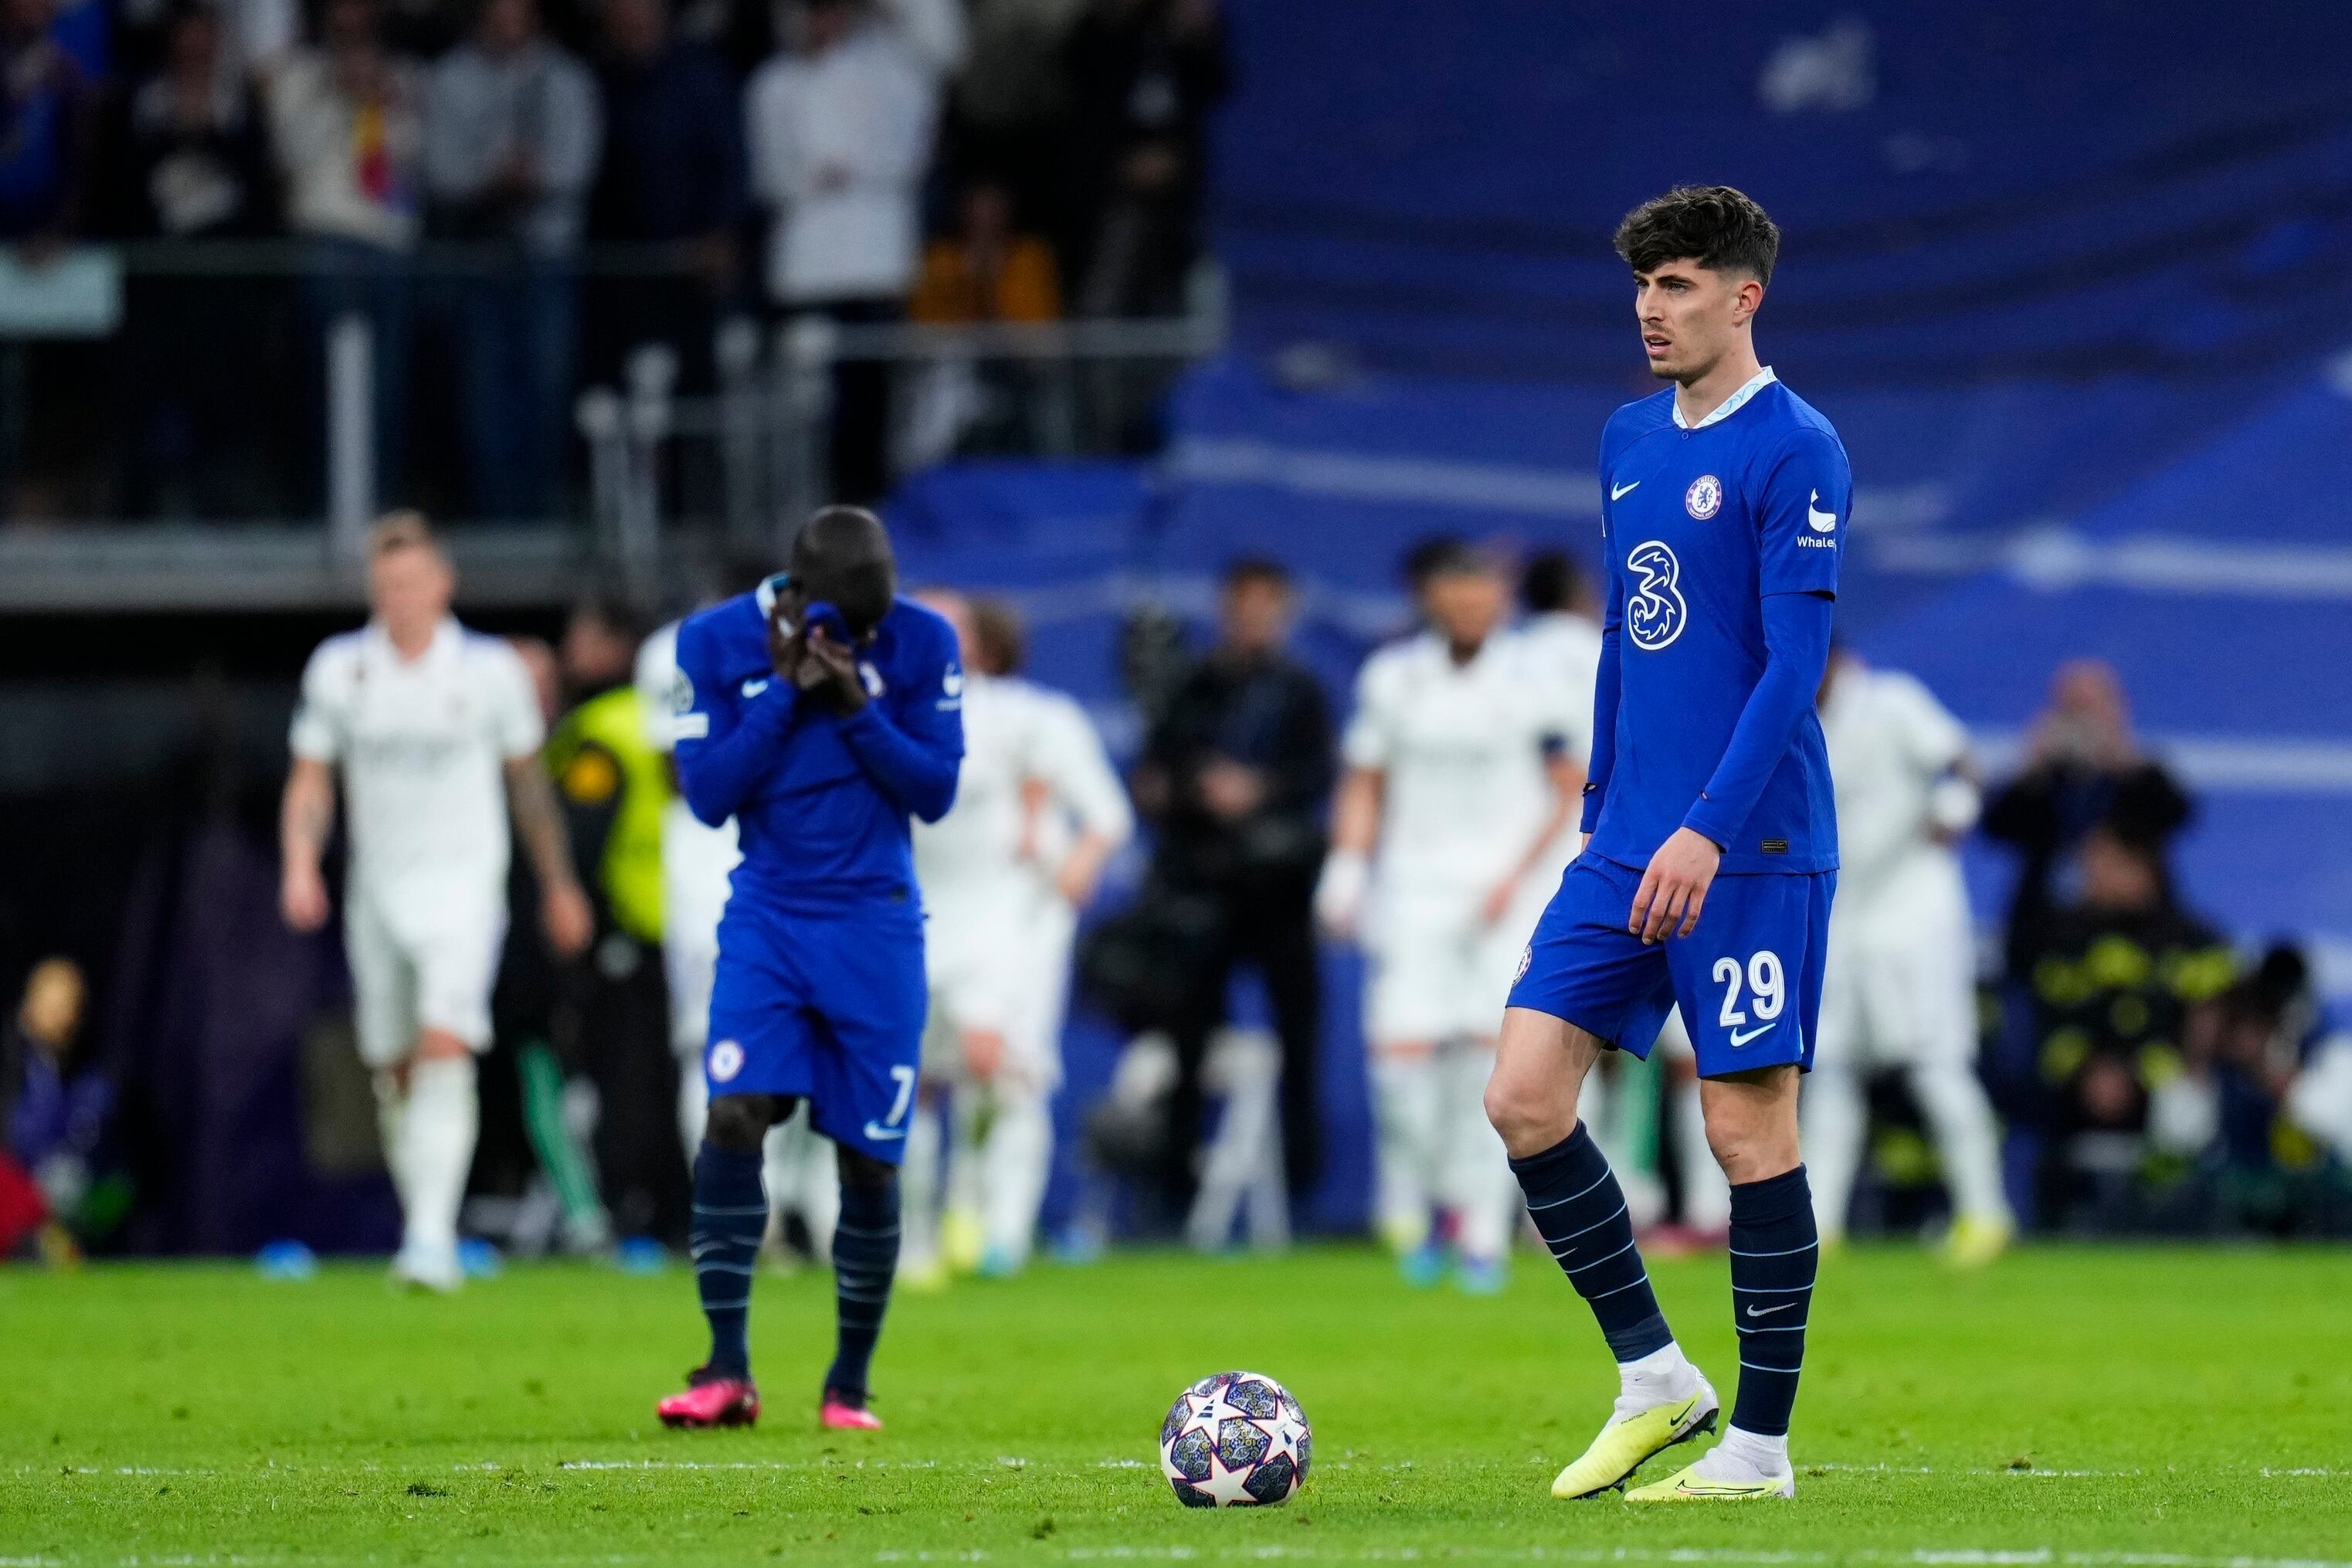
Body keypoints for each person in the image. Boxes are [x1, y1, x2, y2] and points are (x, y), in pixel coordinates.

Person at [1481, 186, 1848, 1504]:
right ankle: (1654, 1377)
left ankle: (1757, 1447)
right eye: (1643, 284)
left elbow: (1791, 667)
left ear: (1745, 297)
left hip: (1749, 848)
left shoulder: (1796, 447)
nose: (1652, 307)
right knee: (1523, 1094)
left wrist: (1702, 827)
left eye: (1681, 284)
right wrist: (1607, 814)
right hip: (1629, 836)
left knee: (1748, 1134)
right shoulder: (1629, 436)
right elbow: (1633, 641)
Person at [655, 505, 962, 1432]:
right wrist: (784, 693)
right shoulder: (712, 641)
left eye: (878, 620)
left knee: (869, 1157)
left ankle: (849, 1385)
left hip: (876, 924)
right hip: (771, 917)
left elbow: (936, 789)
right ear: (798, 594)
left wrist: (857, 707)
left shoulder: (922, 639)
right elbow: (706, 795)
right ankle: (726, 1369)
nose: (872, 635)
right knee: (734, 1111)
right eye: (852, 624)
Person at [280, 512, 595, 1290]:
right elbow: (312, 780)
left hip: (463, 885)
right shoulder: (340, 669)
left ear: (443, 584)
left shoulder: (489, 671)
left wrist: (557, 884)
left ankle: (427, 1239)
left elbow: (529, 786)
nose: (401, 596)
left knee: (445, 1041)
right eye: (387, 584)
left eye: (413, 580)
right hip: (377, 891)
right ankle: (424, 1218)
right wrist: (299, 864)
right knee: (392, 1065)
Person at [1317, 541, 1583, 1294]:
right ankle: (1429, 1202)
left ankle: (1480, 1231)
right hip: (1413, 892)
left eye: (1483, 593)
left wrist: (1528, 876)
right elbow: (1365, 781)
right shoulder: (1394, 677)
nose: (1470, 607)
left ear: (1499, 599)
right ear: (1433, 598)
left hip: (1507, 896)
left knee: (1489, 1069)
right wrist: (1346, 867)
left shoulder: (1538, 679)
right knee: (1399, 1070)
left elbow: (1568, 786)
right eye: (1455, 593)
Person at [902, 591, 1131, 1284]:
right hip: (913, 915)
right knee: (911, 1082)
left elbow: (1104, 814)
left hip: (1008, 916)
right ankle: (913, 1235)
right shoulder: (880, 716)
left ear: (981, 640)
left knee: (1001, 1068)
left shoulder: (1031, 715)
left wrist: (1072, 870)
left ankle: (995, 1227)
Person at [1132, 557, 1333, 1217]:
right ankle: (1173, 1185)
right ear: (1224, 610)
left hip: (1278, 891)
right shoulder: (1191, 686)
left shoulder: (1300, 691)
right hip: (1203, 889)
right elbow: (1154, 780)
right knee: (1187, 1041)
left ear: (1283, 613)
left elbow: (1316, 779)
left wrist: (1258, 790)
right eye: (1242, 607)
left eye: (1265, 608)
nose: (1253, 621)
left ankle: (1305, 1192)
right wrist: (1190, 788)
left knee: (1299, 1040)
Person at [1806, 647, 2014, 1263]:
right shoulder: (1792, 715)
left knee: (1934, 1063)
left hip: (1914, 915)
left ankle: (1984, 1216)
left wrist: (1956, 808)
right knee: (1832, 1068)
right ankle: (1817, 1225)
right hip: (1844, 915)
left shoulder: (1888, 700)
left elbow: (1960, 762)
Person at [745, 0, 964, 502]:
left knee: (874, 396)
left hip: (875, 262)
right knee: (809, 401)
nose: (822, 22)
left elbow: (938, 68)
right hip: (805, 267)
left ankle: (875, 505)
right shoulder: (772, 84)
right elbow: (769, 174)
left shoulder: (888, 73)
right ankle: (807, 506)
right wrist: (815, 177)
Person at [422, 0, 599, 520]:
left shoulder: (566, 78)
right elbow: (441, 172)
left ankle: (540, 510)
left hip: (547, 252)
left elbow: (578, 164)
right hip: (478, 253)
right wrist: (489, 177)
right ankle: (495, 513)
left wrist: (534, 177)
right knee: (483, 390)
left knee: (548, 381)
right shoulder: (452, 77)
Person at [545, 595, 684, 1246]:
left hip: (637, 927)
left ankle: (640, 1210)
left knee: (633, 1080)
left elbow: (581, 834)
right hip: (705, 923)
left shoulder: (602, 728)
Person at [267, 0, 423, 504]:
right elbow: (290, 159)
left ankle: (382, 503)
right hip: (325, 243)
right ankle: (324, 504)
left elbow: (415, 175)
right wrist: (336, 97)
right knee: (325, 387)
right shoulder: (296, 77)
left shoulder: (405, 76)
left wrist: (390, 106)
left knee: (389, 389)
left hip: (389, 244)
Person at [1982, 660, 2192, 979]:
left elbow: (2178, 815)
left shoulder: (2138, 777)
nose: (2081, 720)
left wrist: (2120, 754)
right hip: (2045, 937)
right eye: (2070, 708)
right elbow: (1995, 827)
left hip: (2136, 936)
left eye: (2090, 707)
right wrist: (2032, 766)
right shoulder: (2044, 783)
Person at [586, 0, 745, 392]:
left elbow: (729, 159)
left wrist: (723, 230)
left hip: (691, 267)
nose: (630, 17)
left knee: (692, 393)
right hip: (616, 271)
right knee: (615, 398)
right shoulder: (596, 80)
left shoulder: (701, 76)